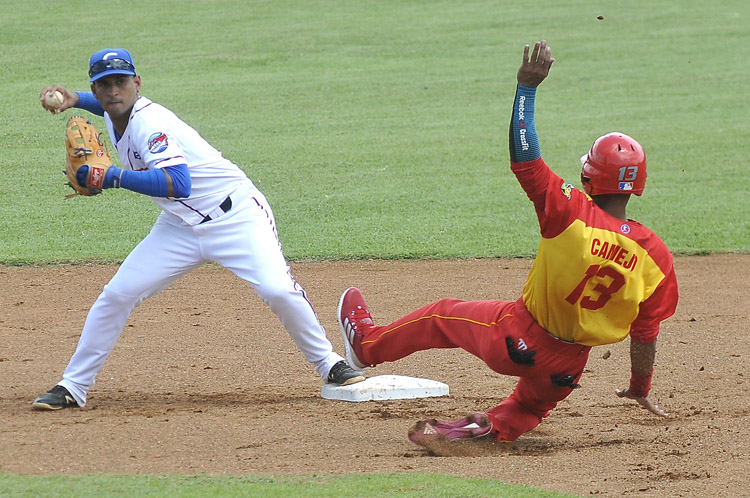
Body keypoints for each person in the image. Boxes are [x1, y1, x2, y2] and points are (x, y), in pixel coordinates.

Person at [337, 40, 678, 449]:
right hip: (567, 367)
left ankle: (367, 347)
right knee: (530, 407)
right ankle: (486, 429)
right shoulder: (655, 256)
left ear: (589, 176)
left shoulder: (569, 209)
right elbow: (646, 332)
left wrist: (526, 89)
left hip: (515, 339)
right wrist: (639, 387)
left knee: (440, 317)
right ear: (637, 186)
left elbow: (525, 156)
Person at [32, 48, 364, 411]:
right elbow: (109, 109)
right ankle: (73, 386)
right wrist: (73, 100)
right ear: (96, 91)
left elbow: (178, 182)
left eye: (122, 82)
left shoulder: (150, 125)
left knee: (277, 289)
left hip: (235, 217)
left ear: (137, 84)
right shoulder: (115, 110)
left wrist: (111, 177)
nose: (114, 91)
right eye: (104, 85)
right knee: (117, 295)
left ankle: (329, 363)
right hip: (179, 226)